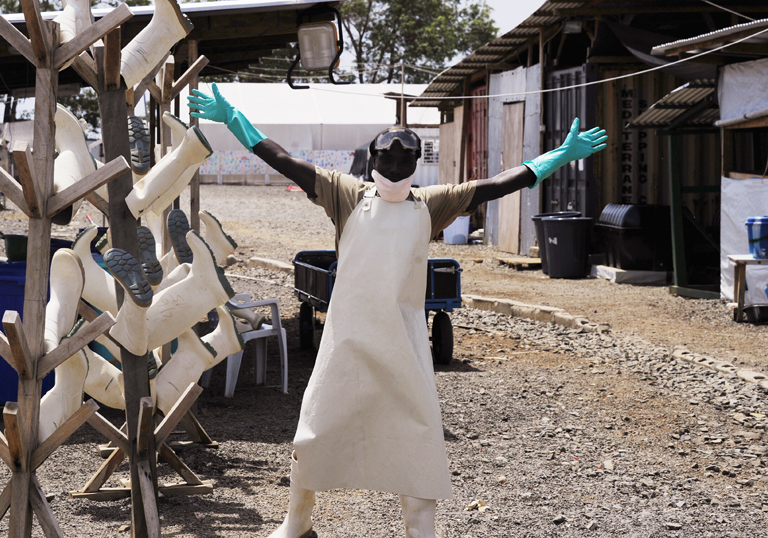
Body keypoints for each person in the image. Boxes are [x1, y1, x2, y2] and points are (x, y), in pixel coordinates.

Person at [188, 84, 607, 538]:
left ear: (415, 162)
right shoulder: (345, 193)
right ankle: (297, 522)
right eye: (384, 156)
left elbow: (497, 185)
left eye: (403, 157)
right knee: (315, 432)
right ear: (371, 161)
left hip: (403, 345)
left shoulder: (433, 203)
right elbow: (283, 159)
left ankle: (420, 528)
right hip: (345, 342)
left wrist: (555, 158)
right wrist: (235, 120)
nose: (392, 165)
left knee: (416, 438)